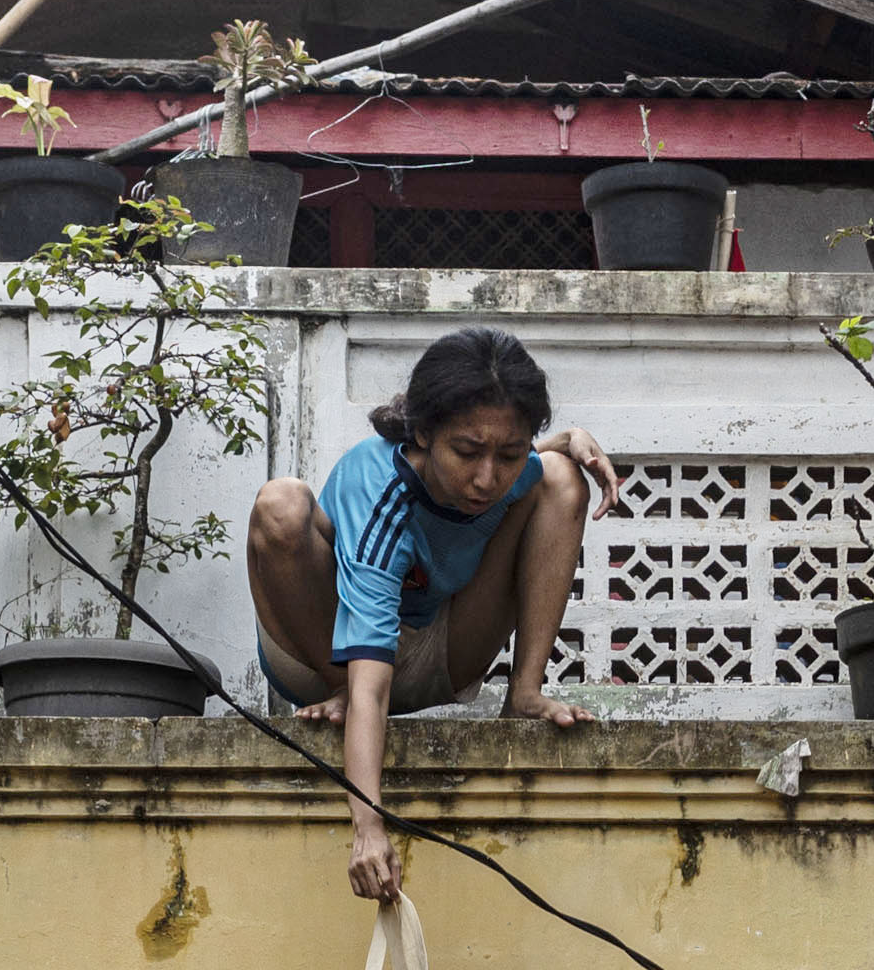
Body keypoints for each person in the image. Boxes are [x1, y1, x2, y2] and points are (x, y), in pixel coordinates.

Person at [244, 328, 621, 901]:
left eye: (509, 454)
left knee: (561, 477)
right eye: (467, 453)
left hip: (435, 648)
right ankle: (332, 683)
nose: (486, 479)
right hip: (327, 657)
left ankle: (523, 695)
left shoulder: (511, 468)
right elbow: (372, 692)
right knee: (281, 503)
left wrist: (570, 440)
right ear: (423, 432)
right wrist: (368, 827)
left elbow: (535, 457)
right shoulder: (378, 490)